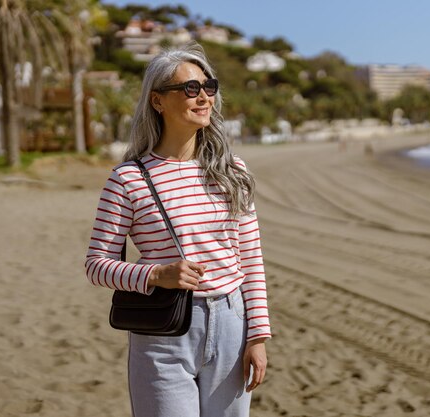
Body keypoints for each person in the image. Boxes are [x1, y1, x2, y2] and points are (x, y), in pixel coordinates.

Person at [84, 41, 271, 417]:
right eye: (190, 89)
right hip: (163, 331)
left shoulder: (232, 170)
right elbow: (96, 264)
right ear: (157, 101)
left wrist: (258, 336)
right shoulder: (128, 179)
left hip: (232, 324)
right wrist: (157, 274)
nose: (203, 97)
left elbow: (250, 256)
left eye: (208, 87)